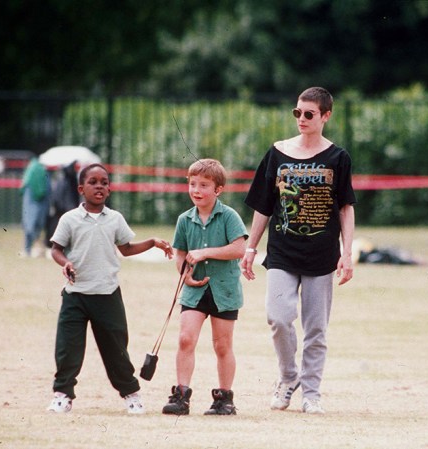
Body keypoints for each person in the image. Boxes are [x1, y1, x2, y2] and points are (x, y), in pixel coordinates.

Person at [240, 87, 356, 415]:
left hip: (321, 255)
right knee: (277, 318)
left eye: (309, 114)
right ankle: (289, 377)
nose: (301, 119)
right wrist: (250, 248)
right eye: (297, 113)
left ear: (325, 116)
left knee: (316, 328)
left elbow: (346, 208)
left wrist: (346, 254)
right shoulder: (277, 153)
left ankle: (312, 392)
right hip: (282, 251)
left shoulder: (337, 157)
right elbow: (263, 206)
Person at [47, 163, 173, 414]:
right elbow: (56, 249)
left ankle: (131, 395)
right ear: (81, 188)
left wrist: (152, 242)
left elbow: (126, 249)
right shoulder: (70, 219)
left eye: (104, 182)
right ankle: (62, 395)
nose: (99, 186)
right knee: (68, 349)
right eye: (93, 182)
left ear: (109, 189)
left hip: (107, 294)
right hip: (76, 295)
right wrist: (66, 263)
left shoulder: (115, 219)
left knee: (116, 349)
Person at [162, 159, 247, 416]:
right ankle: (181, 396)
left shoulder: (229, 216)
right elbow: (180, 254)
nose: (196, 190)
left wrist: (203, 253)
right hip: (194, 290)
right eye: (192, 184)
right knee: (185, 339)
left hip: (224, 291)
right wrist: (184, 273)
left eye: (204, 185)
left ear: (218, 190)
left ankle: (224, 399)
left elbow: (239, 249)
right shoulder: (184, 220)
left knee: (222, 346)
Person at [20, 157, 51, 257]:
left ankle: (28, 249)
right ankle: (38, 249)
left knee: (29, 227)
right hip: (41, 206)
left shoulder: (30, 172)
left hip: (29, 206)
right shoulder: (44, 173)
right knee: (38, 227)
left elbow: (21, 189)